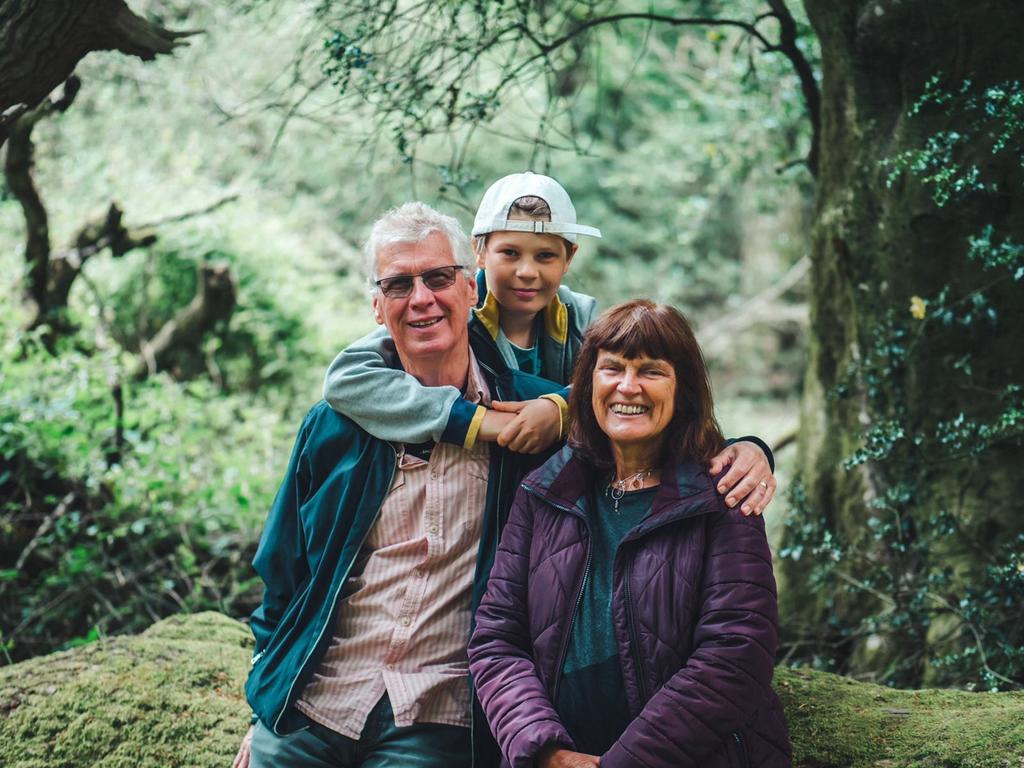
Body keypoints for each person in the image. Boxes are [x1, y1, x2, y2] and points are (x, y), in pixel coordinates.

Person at [234, 202, 778, 768]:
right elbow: (282, 575)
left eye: (438, 279)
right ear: (377, 306)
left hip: (434, 711)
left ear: (472, 290)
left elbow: (639, 413)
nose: (421, 298)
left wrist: (747, 450)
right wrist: (266, 703)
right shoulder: (334, 425)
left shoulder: (533, 421)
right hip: (316, 701)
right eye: (399, 285)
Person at [323, 171, 777, 515]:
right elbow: (347, 378)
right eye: (509, 254)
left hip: (558, 501)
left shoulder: (584, 321)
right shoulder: (447, 311)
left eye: (545, 256)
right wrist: (477, 421)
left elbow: (640, 392)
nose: (527, 272)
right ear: (479, 253)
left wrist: (747, 445)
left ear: (569, 258)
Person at [468, 299, 792, 768]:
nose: (628, 386)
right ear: (588, 383)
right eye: (612, 368)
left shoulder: (723, 495)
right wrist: (545, 750)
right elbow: (496, 640)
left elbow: (735, 656)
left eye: (651, 371)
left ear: (683, 389)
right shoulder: (544, 490)